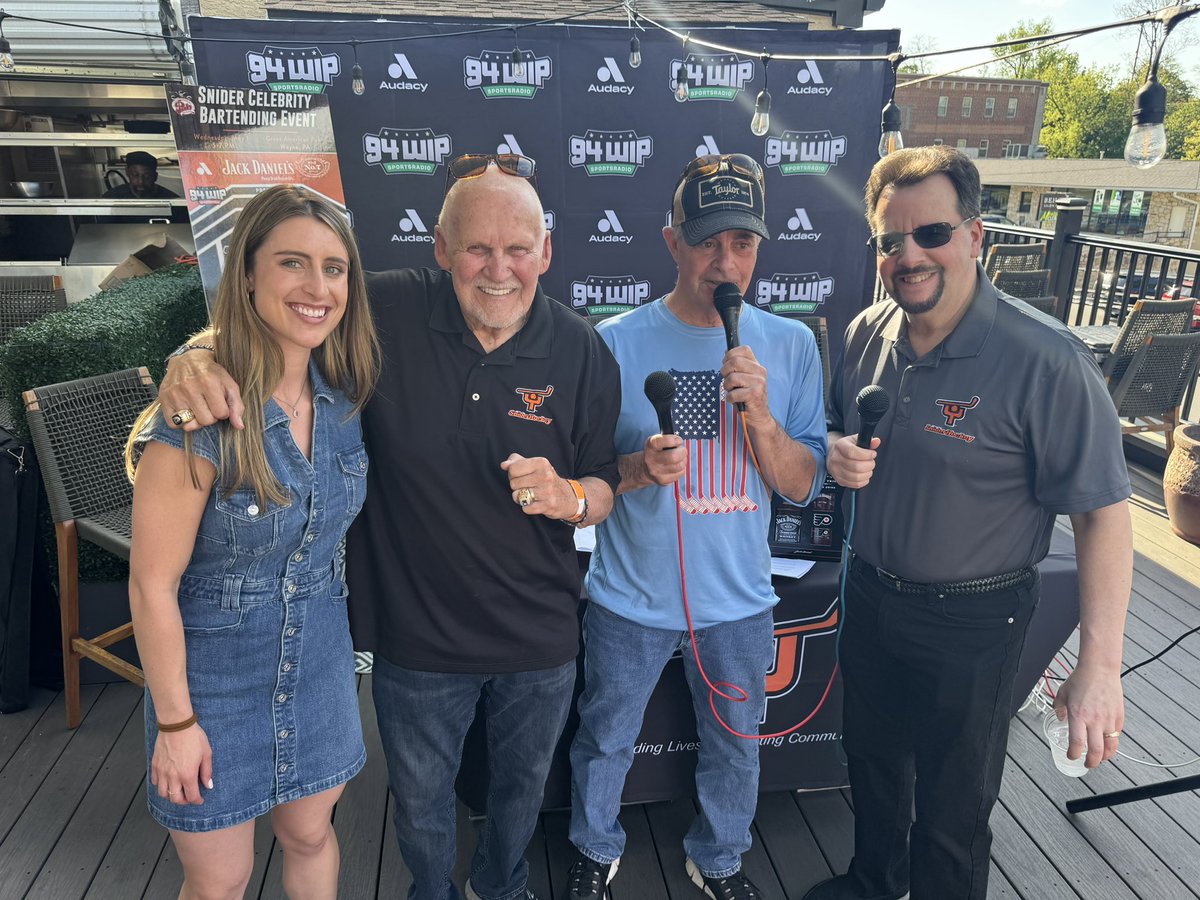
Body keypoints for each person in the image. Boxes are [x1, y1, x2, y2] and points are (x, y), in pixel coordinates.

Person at [157, 154, 621, 900]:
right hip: (416, 639)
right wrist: (193, 355)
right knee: (423, 809)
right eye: (476, 248)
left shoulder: (584, 348)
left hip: (540, 637)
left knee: (519, 800)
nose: (498, 269)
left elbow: (606, 483)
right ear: (440, 250)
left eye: (518, 249)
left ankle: (501, 889)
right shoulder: (384, 311)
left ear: (546, 253)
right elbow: (283, 314)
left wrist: (571, 495)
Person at [804, 146, 1133, 900]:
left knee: (954, 808)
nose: (909, 255)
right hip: (871, 599)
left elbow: (1106, 517)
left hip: (976, 617)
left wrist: (1100, 667)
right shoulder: (864, 333)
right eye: (891, 240)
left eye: (931, 234)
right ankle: (872, 885)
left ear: (976, 235)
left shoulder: (1046, 360)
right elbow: (829, 429)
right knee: (874, 769)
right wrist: (832, 450)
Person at [566, 154, 827, 900]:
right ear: (672, 242)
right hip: (630, 596)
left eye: (742, 243)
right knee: (605, 736)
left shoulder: (791, 345)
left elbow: (802, 486)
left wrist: (764, 420)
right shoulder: (612, 341)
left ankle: (718, 859)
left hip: (738, 600)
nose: (725, 262)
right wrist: (639, 469)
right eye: (708, 241)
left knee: (737, 747)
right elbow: (587, 477)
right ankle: (593, 848)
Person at [124, 184, 380, 899]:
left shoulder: (347, 396)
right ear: (247, 275)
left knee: (310, 836)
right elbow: (151, 585)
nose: (317, 286)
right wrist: (175, 722)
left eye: (334, 268)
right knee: (220, 880)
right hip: (212, 682)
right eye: (292, 263)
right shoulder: (199, 414)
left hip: (321, 665)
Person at [103, 150, 180, 199]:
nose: (141, 182)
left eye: (147, 176)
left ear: (155, 176)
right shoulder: (112, 198)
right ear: (127, 173)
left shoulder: (171, 199)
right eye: (135, 175)